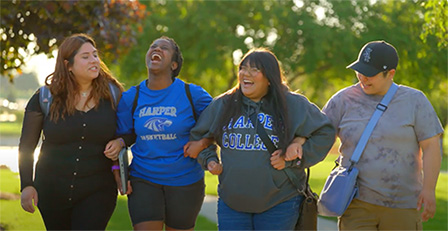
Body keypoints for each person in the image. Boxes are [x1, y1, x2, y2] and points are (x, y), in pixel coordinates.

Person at [185, 48, 335, 230]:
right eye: (243, 68)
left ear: (270, 77)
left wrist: (295, 157)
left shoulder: (293, 104)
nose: (245, 74)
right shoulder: (224, 104)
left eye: (254, 69)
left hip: (280, 203)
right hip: (232, 203)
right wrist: (209, 160)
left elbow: (325, 132)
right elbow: (200, 135)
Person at [322, 40, 444, 230]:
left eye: (369, 73)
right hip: (356, 204)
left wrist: (428, 190)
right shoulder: (343, 100)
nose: (362, 78)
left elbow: (431, 146)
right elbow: (318, 135)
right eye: (359, 71)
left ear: (391, 73)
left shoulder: (415, 100)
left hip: (402, 206)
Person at [18, 33, 124, 230]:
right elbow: (26, 146)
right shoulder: (44, 98)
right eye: (85, 57)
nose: (94, 60)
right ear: (68, 65)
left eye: (95, 55)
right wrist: (27, 185)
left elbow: (131, 130)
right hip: (51, 190)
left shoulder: (114, 95)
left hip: (98, 190)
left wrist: (121, 142)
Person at [111, 36, 212, 230]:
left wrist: (203, 143)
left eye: (164, 48)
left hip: (185, 181)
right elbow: (122, 137)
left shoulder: (194, 95)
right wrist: (117, 170)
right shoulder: (131, 97)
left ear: (174, 64)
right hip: (143, 179)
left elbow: (219, 121)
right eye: (153, 46)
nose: (157, 49)